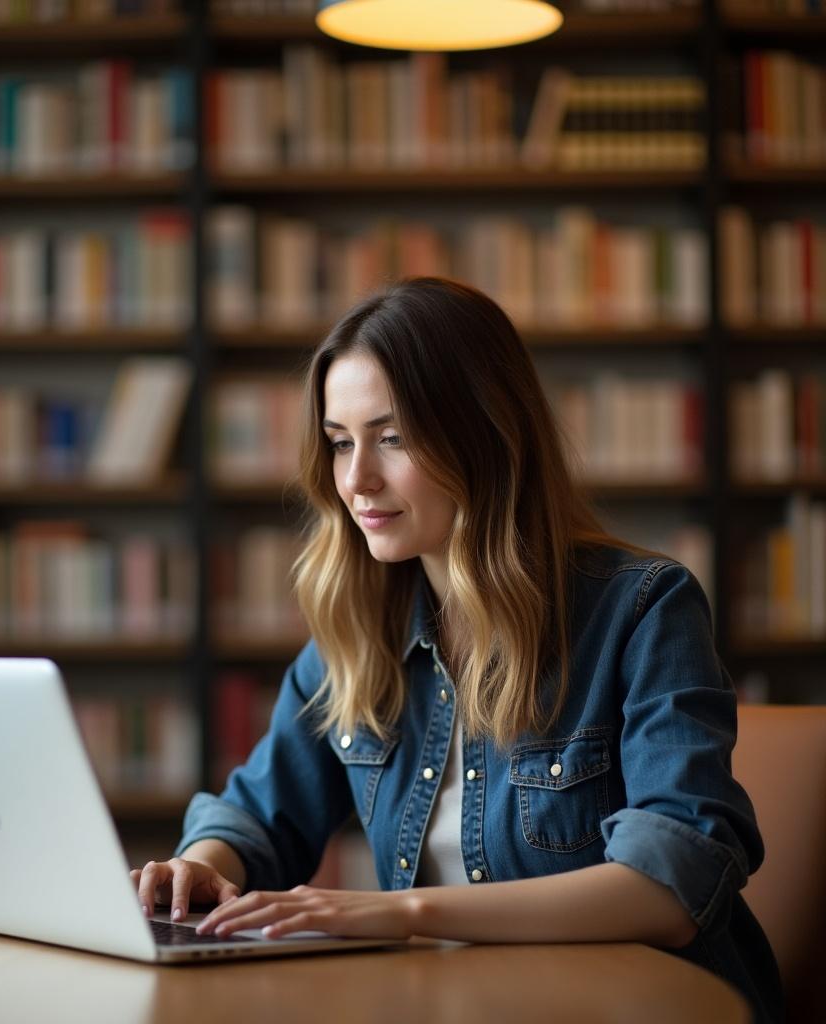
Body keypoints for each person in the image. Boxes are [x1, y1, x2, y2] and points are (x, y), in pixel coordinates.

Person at [132, 276, 782, 1023]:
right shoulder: (360, 627)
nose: (355, 480)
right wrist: (200, 869)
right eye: (340, 443)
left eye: (394, 437)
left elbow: (672, 886)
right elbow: (255, 815)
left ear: (486, 434)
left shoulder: (642, 609)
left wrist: (402, 912)